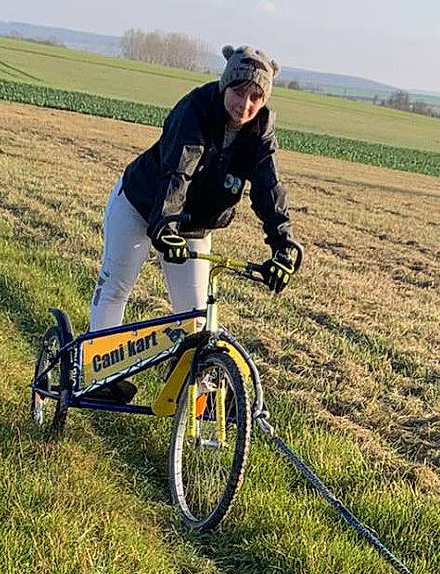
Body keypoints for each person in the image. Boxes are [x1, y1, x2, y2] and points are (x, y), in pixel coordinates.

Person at [87, 45, 303, 398]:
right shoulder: (194, 110)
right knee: (116, 287)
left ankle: (195, 396)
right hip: (141, 206)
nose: (245, 105)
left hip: (194, 225)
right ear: (224, 85)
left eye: (255, 97)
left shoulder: (260, 132)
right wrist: (165, 225)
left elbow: (269, 188)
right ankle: (100, 377)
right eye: (238, 91)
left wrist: (283, 245)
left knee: (194, 316)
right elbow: (178, 171)